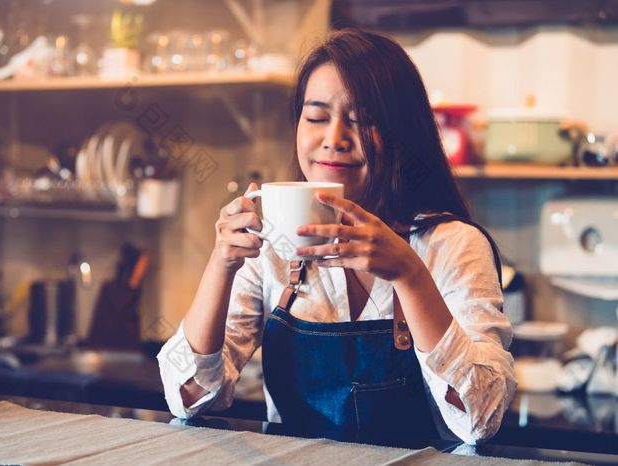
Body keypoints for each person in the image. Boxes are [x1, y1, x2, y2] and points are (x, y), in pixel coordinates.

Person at [158, 29, 516, 445]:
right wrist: (221, 265)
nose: (334, 139)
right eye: (316, 117)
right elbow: (189, 397)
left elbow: (481, 419)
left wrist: (409, 274)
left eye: (362, 120)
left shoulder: (453, 244)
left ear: (403, 135)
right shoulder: (270, 242)